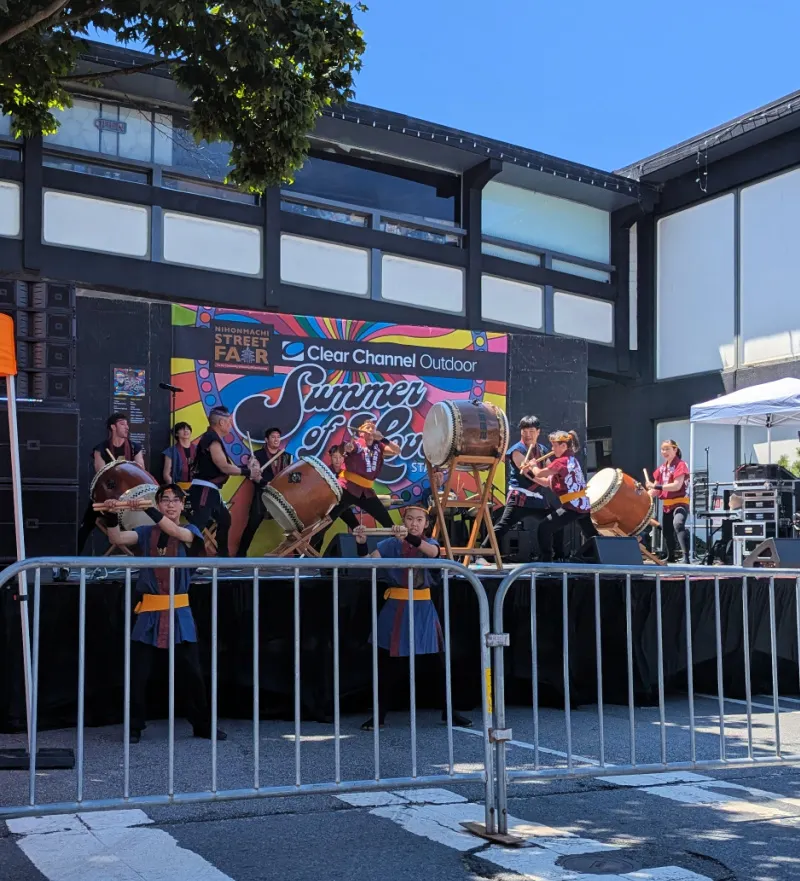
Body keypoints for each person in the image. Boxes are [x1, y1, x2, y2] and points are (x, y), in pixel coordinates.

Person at [104, 484, 226, 744]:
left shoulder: (190, 531)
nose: (170, 504)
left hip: (179, 611)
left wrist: (148, 509)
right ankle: (134, 726)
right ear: (159, 505)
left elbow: (172, 530)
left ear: (182, 506)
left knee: (192, 673)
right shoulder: (147, 532)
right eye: (164, 500)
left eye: (175, 500)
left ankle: (202, 724)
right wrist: (111, 513)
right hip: (149, 611)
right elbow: (117, 539)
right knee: (138, 673)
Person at [354, 505, 473, 731]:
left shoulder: (431, 543)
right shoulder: (390, 544)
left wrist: (408, 537)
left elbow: (433, 554)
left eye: (419, 520)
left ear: (426, 524)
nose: (414, 523)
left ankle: (449, 712)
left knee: (438, 664)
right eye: (410, 519)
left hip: (423, 608)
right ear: (404, 520)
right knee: (388, 666)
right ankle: (378, 716)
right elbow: (367, 564)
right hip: (396, 607)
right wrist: (361, 544)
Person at [479, 416, 559, 561]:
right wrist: (548, 482)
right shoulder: (517, 451)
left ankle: (552, 557)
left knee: (556, 520)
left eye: (531, 431)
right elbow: (532, 476)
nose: (528, 434)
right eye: (524, 431)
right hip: (520, 497)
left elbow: (550, 469)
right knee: (503, 525)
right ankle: (481, 555)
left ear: (538, 432)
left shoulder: (542, 450)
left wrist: (555, 476)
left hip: (537, 498)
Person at [188, 406, 261, 557]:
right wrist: (248, 472)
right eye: (229, 421)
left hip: (211, 490)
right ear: (221, 422)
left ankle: (223, 557)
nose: (230, 425)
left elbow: (226, 467)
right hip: (204, 490)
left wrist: (246, 468)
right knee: (198, 525)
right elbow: (223, 466)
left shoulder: (212, 438)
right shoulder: (211, 439)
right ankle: (184, 560)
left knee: (225, 520)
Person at [77, 413, 147, 553]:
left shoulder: (134, 447)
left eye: (127, 424)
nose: (127, 427)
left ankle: (148, 560)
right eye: (122, 424)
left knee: (150, 521)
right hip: (108, 497)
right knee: (85, 526)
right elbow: (101, 475)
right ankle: (70, 562)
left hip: (132, 496)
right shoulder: (100, 449)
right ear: (113, 427)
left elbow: (141, 471)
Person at [529, 430, 598, 563]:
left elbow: (540, 473)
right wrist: (529, 473)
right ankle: (592, 556)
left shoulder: (561, 461)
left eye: (554, 445)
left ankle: (546, 559)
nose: (552, 448)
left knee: (544, 528)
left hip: (572, 506)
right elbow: (545, 482)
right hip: (582, 504)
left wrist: (533, 466)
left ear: (564, 446)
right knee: (591, 535)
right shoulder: (572, 461)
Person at [325, 420, 401, 529]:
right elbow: (348, 447)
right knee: (328, 520)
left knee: (388, 522)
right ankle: (311, 542)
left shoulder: (379, 446)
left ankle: (405, 542)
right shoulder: (357, 444)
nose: (370, 430)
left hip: (366, 492)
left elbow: (397, 450)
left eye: (373, 428)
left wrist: (383, 439)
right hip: (347, 488)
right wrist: (348, 447)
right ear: (361, 433)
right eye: (367, 428)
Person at [237, 427, 293, 556]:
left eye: (278, 437)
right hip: (262, 495)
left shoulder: (286, 456)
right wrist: (264, 482)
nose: (276, 439)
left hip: (281, 496)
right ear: (266, 440)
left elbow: (290, 477)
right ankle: (240, 555)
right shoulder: (257, 455)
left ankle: (297, 553)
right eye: (273, 437)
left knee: (293, 525)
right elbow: (253, 475)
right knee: (252, 524)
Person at [646, 440, 691, 564]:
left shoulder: (681, 465)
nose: (664, 452)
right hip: (667, 504)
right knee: (667, 531)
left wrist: (656, 487)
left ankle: (686, 557)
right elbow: (654, 491)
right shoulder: (661, 469)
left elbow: (677, 486)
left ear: (675, 449)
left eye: (667, 449)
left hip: (681, 501)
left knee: (678, 524)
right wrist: (643, 495)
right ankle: (671, 556)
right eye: (662, 449)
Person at [162, 421, 196, 485]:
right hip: (179, 486)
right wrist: (175, 489)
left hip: (197, 485)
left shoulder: (198, 449)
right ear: (176, 434)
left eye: (187, 429)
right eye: (182, 429)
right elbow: (166, 475)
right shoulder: (170, 451)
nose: (186, 431)